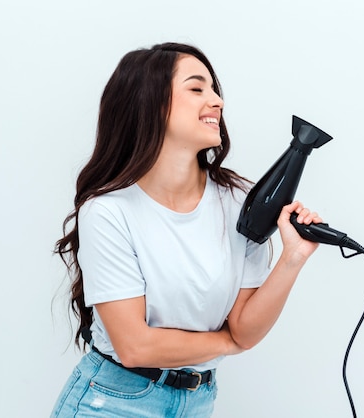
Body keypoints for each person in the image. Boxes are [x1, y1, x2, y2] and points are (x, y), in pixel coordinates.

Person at [51, 42, 321, 417]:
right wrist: (227, 344)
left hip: (197, 401)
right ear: (151, 104)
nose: (217, 101)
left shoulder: (238, 200)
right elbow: (134, 347)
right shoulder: (109, 212)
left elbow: (245, 329)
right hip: (113, 401)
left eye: (214, 90)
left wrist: (292, 259)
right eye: (196, 89)